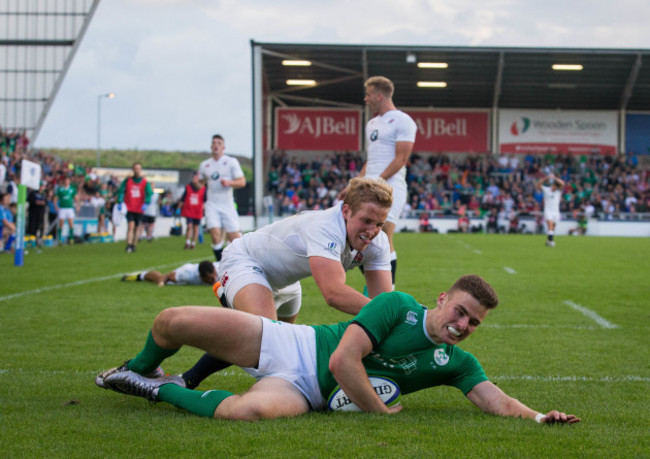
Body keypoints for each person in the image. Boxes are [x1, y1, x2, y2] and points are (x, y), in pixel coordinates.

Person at [96, 274, 580, 425]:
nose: (463, 325)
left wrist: (539, 417)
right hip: (297, 345)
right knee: (173, 321)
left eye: (473, 322)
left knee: (245, 414)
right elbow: (341, 361)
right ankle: (137, 367)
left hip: (306, 394)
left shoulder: (458, 364)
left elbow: (495, 398)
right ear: (443, 300)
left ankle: (154, 389)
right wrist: (380, 412)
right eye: (460, 312)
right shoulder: (395, 306)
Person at [166, 176, 394, 390]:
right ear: (346, 211)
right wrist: (392, 315)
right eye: (366, 220)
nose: (372, 231)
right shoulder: (326, 227)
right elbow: (334, 293)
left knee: (279, 349)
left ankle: (185, 377)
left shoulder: (379, 243)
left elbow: (382, 301)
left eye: (379, 224)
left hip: (287, 280)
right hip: (246, 261)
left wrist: (393, 319)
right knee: (266, 345)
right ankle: (185, 380)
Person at [357, 76, 417, 289]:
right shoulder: (372, 123)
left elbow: (401, 158)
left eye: (369, 95)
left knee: (382, 237)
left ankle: (385, 295)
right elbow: (370, 160)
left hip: (390, 189)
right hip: (368, 188)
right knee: (362, 239)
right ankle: (376, 290)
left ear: (379, 96)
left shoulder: (403, 121)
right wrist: (356, 183)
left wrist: (377, 182)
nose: (366, 99)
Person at [197, 134, 246, 261]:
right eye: (214, 143)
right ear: (210, 146)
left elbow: (242, 182)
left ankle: (245, 259)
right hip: (212, 204)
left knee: (234, 237)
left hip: (227, 203)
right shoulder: (205, 165)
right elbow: (200, 182)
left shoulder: (231, 162)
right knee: (215, 235)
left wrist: (229, 182)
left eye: (219, 143)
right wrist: (197, 183)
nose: (216, 145)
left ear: (223, 147)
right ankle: (220, 264)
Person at [116, 162, 152, 253]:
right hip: (130, 207)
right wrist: (120, 201)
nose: (137, 170)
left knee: (137, 227)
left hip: (139, 208)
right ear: (133, 169)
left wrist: (146, 203)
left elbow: (149, 193)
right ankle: (128, 244)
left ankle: (134, 244)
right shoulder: (128, 181)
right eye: (135, 168)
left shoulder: (144, 182)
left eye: (138, 168)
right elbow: (121, 191)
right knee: (130, 226)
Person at [121, 260, 218, 287]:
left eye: (214, 276)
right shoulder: (187, 274)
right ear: (201, 276)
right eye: (210, 278)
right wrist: (161, 283)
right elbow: (166, 276)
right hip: (184, 271)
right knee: (161, 279)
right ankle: (141, 275)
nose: (214, 280)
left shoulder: (220, 268)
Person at [177, 173, 206, 249]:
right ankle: (187, 241)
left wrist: (204, 210)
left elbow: (205, 201)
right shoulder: (188, 187)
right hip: (189, 210)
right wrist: (178, 208)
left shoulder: (203, 188)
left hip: (198, 210)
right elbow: (183, 199)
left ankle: (193, 243)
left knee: (196, 227)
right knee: (189, 226)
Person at [536, 173, 565, 247]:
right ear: (552, 185)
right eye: (554, 186)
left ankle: (548, 240)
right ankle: (551, 241)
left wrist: (554, 178)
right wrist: (546, 178)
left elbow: (562, 183)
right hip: (548, 211)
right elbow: (538, 184)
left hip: (556, 212)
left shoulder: (558, 191)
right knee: (550, 225)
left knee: (553, 227)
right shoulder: (546, 189)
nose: (554, 188)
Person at [54, 175, 77, 245]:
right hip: (62, 208)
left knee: (71, 223)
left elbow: (76, 197)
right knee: (61, 224)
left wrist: (78, 205)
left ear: (69, 181)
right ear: (64, 181)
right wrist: (55, 206)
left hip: (70, 208)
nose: (66, 181)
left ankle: (71, 238)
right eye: (65, 180)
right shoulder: (60, 189)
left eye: (68, 180)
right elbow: (55, 198)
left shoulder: (72, 189)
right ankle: (60, 239)